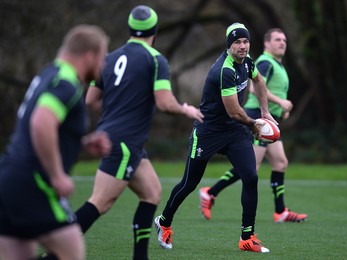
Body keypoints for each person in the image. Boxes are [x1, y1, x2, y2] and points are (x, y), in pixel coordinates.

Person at [70, 5, 204, 260]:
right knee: (100, 202)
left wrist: (113, 117)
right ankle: (55, 252)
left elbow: (90, 99)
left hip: (122, 140)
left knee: (151, 192)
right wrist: (186, 109)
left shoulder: (109, 58)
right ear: (154, 30)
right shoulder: (155, 59)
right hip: (124, 141)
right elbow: (164, 102)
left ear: (131, 28)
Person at [154, 22, 278, 254]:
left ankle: (247, 238)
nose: (242, 46)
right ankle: (164, 221)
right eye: (237, 42)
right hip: (208, 131)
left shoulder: (248, 61)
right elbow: (233, 111)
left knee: (250, 177)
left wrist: (265, 112)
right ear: (229, 45)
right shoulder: (225, 70)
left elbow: (259, 81)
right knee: (190, 183)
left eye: (245, 41)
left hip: (234, 131)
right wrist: (254, 125)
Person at [0, 25, 110, 260]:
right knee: (71, 251)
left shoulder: (48, 75)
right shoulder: (66, 83)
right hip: (34, 182)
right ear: (89, 55)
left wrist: (80, 143)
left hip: (9, 180)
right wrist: (57, 174)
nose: (103, 66)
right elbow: (41, 122)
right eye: (103, 57)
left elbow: (42, 127)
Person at [199, 28, 307, 223]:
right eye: (277, 39)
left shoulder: (277, 64)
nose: (282, 43)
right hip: (256, 117)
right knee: (252, 167)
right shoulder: (265, 62)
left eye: (284, 39)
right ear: (266, 44)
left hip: (270, 119)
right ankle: (210, 193)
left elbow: (269, 89)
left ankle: (280, 211)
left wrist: (280, 107)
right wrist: (281, 103)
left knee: (280, 163)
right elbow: (255, 86)